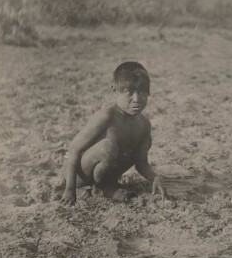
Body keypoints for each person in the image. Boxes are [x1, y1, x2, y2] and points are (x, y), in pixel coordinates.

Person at [60, 61, 167, 205]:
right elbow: (74, 149)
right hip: (80, 175)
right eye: (129, 92)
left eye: (142, 92)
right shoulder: (107, 116)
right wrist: (69, 189)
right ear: (115, 91)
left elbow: (141, 163)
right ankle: (100, 188)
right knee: (108, 146)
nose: (136, 99)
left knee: (147, 141)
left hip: (105, 174)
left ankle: (106, 185)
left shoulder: (144, 124)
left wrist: (155, 177)